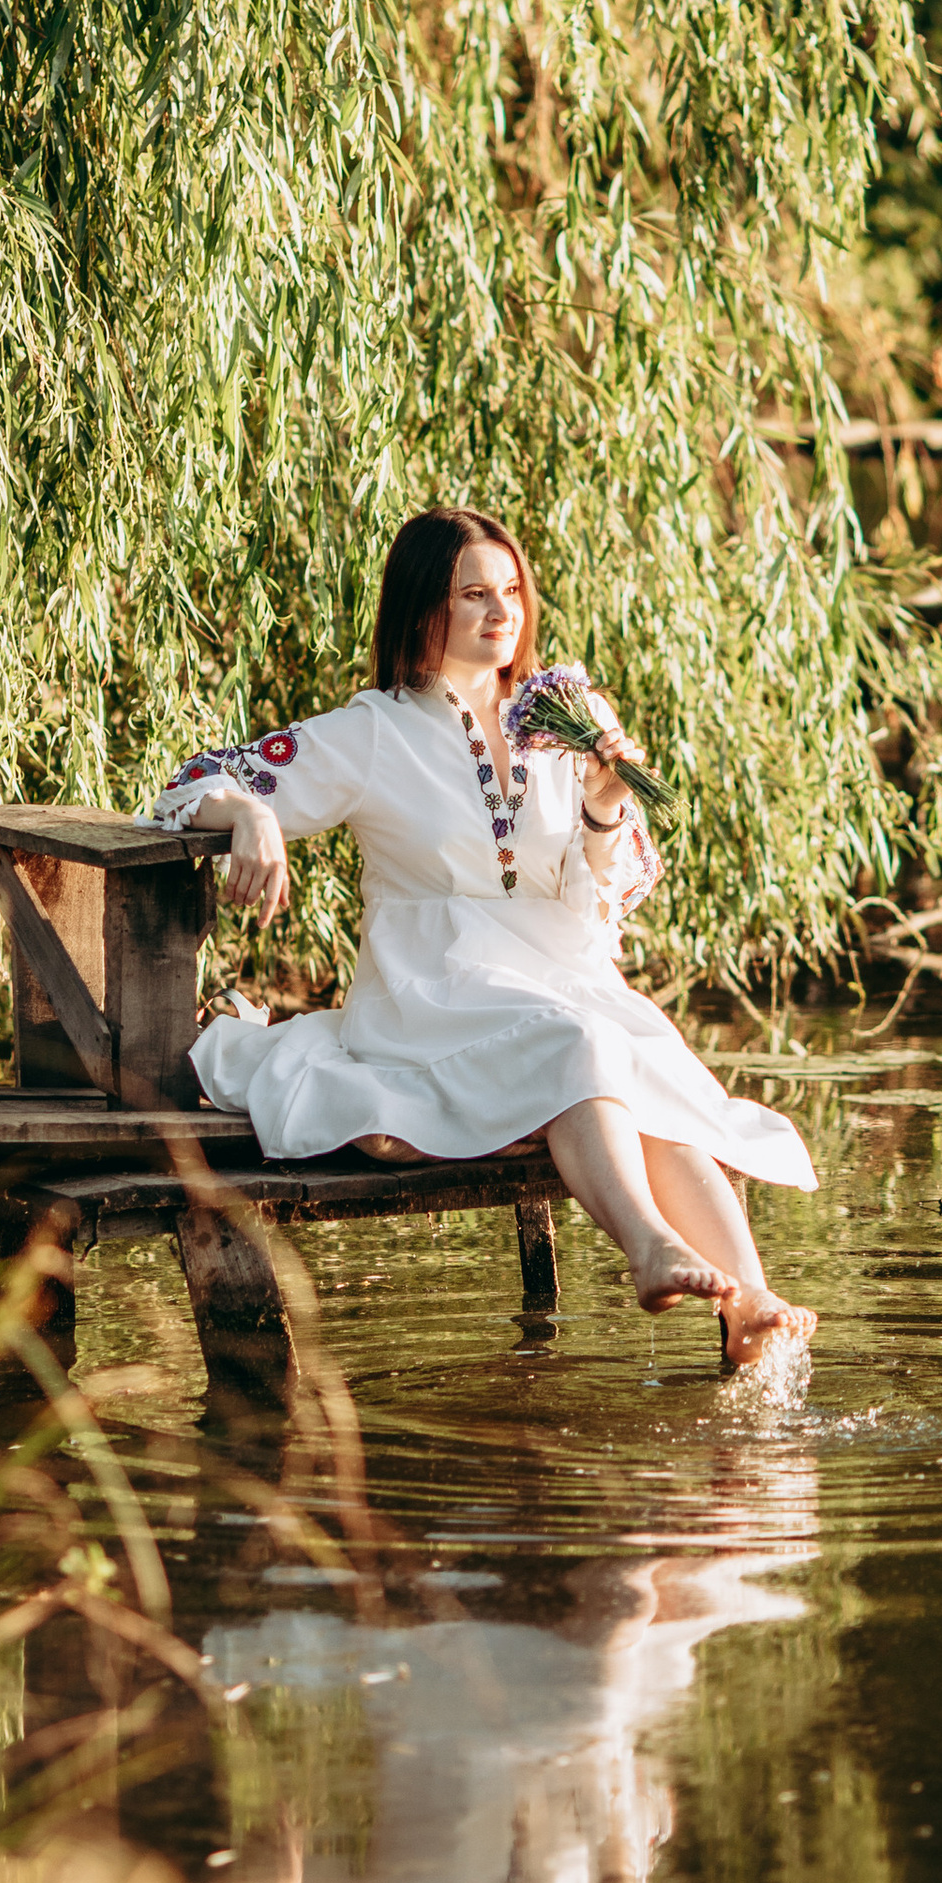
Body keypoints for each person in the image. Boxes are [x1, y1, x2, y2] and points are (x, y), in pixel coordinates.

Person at [147, 505, 817, 1367]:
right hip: (432, 988)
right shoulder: (371, 732)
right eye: (474, 595)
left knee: (645, 1069)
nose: (503, 613)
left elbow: (594, 906)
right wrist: (249, 813)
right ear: (425, 609)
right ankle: (649, 1248)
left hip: (556, 972)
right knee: (577, 1043)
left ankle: (749, 1303)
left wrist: (605, 807)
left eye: (511, 592)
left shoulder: (565, 720)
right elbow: (186, 785)